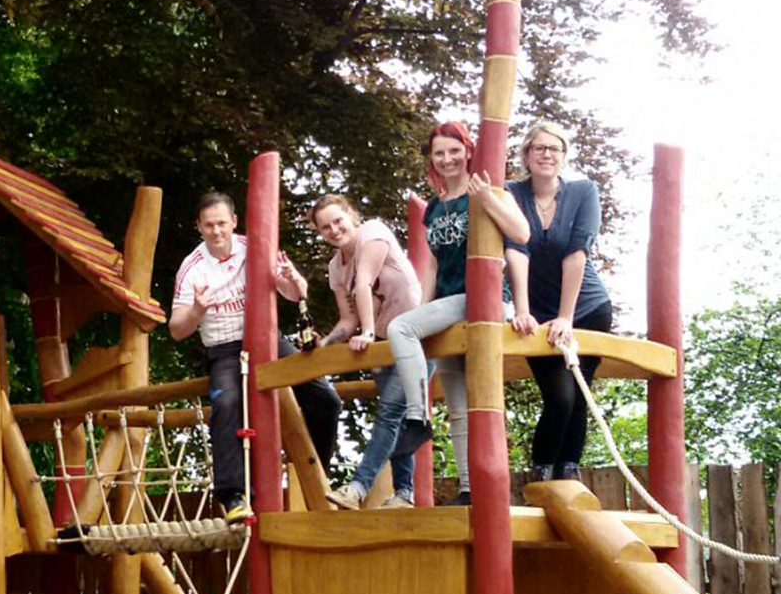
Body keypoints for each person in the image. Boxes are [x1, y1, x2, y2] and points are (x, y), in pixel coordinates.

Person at [170, 192, 342, 522]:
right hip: (225, 347)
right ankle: (234, 495)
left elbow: (295, 294)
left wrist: (292, 279)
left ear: (234, 222)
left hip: (268, 338)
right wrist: (196, 311)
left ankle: (315, 469)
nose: (216, 231)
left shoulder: (255, 247)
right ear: (199, 227)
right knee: (226, 403)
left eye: (222, 223)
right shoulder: (192, 268)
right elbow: (177, 330)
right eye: (209, 225)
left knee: (326, 398)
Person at [384, 122, 530, 506]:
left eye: (453, 150)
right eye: (439, 153)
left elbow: (522, 234)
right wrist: (424, 312)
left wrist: (487, 200)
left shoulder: (490, 190)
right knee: (459, 404)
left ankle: (417, 418)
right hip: (447, 304)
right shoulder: (434, 207)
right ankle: (469, 489)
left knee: (399, 328)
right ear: (431, 159)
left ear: (467, 151)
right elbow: (432, 265)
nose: (446, 159)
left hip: (483, 299)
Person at [504, 121, 613, 482]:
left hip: (586, 308)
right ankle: (541, 472)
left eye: (554, 148)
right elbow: (515, 251)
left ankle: (568, 473)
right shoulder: (512, 194)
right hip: (538, 312)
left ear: (564, 156)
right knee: (559, 396)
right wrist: (522, 311)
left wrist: (567, 317)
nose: (546, 154)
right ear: (526, 155)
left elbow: (576, 253)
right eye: (539, 148)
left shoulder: (583, 191)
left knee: (579, 393)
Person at [313, 195, 422, 510]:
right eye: (325, 227)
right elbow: (348, 320)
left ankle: (357, 488)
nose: (334, 230)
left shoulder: (372, 232)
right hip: (385, 344)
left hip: (417, 334)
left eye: (338, 220)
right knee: (399, 417)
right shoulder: (336, 267)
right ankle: (404, 493)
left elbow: (363, 283)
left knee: (390, 412)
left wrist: (368, 333)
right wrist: (326, 343)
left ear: (351, 215)